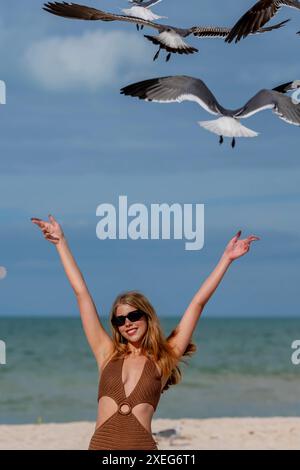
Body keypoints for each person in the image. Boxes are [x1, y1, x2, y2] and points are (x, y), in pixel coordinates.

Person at [31, 214, 259, 450]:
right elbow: (82, 294)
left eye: (133, 316)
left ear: (147, 317)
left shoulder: (164, 358)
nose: (127, 323)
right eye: (120, 320)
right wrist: (61, 243)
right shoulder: (107, 353)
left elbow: (197, 304)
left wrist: (226, 259)